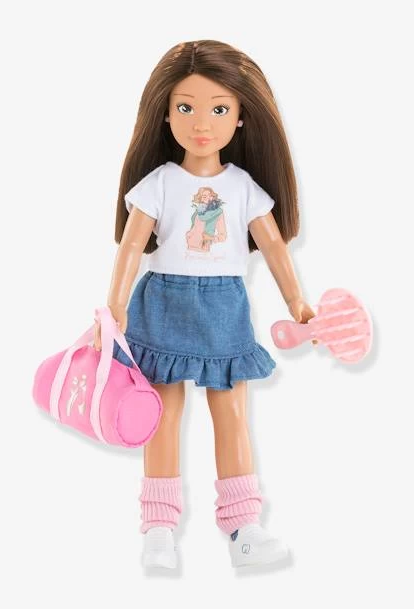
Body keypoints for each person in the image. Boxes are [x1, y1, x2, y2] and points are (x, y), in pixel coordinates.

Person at [94, 40, 315, 569]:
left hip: (223, 308)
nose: (201, 123)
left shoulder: (243, 187)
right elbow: (131, 246)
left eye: (218, 109)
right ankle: (158, 528)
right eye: (185, 107)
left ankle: (244, 526)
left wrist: (298, 301)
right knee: (161, 414)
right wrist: (115, 305)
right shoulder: (159, 183)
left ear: (240, 117)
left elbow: (274, 246)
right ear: (165, 113)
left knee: (231, 414)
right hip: (163, 302)